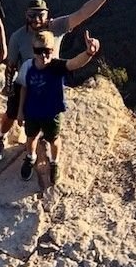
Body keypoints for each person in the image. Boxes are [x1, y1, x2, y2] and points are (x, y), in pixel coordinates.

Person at [0, 0, 122, 155]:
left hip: (51, 83)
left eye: (40, 15)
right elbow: (11, 65)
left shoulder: (57, 27)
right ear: (26, 15)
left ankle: (45, 139)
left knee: (48, 116)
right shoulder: (17, 36)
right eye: (32, 15)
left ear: (47, 15)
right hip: (26, 82)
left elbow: (82, 13)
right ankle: (1, 136)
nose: (36, 19)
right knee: (11, 113)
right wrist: (9, 87)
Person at [18, 29, 100, 186]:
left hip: (52, 113)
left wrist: (89, 53)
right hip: (32, 111)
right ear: (33, 50)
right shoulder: (28, 66)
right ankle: (30, 157)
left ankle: (54, 162)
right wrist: (20, 111)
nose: (43, 55)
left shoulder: (57, 66)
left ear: (52, 50)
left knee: (53, 139)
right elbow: (24, 88)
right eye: (39, 51)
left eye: (47, 51)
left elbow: (75, 63)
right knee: (31, 136)